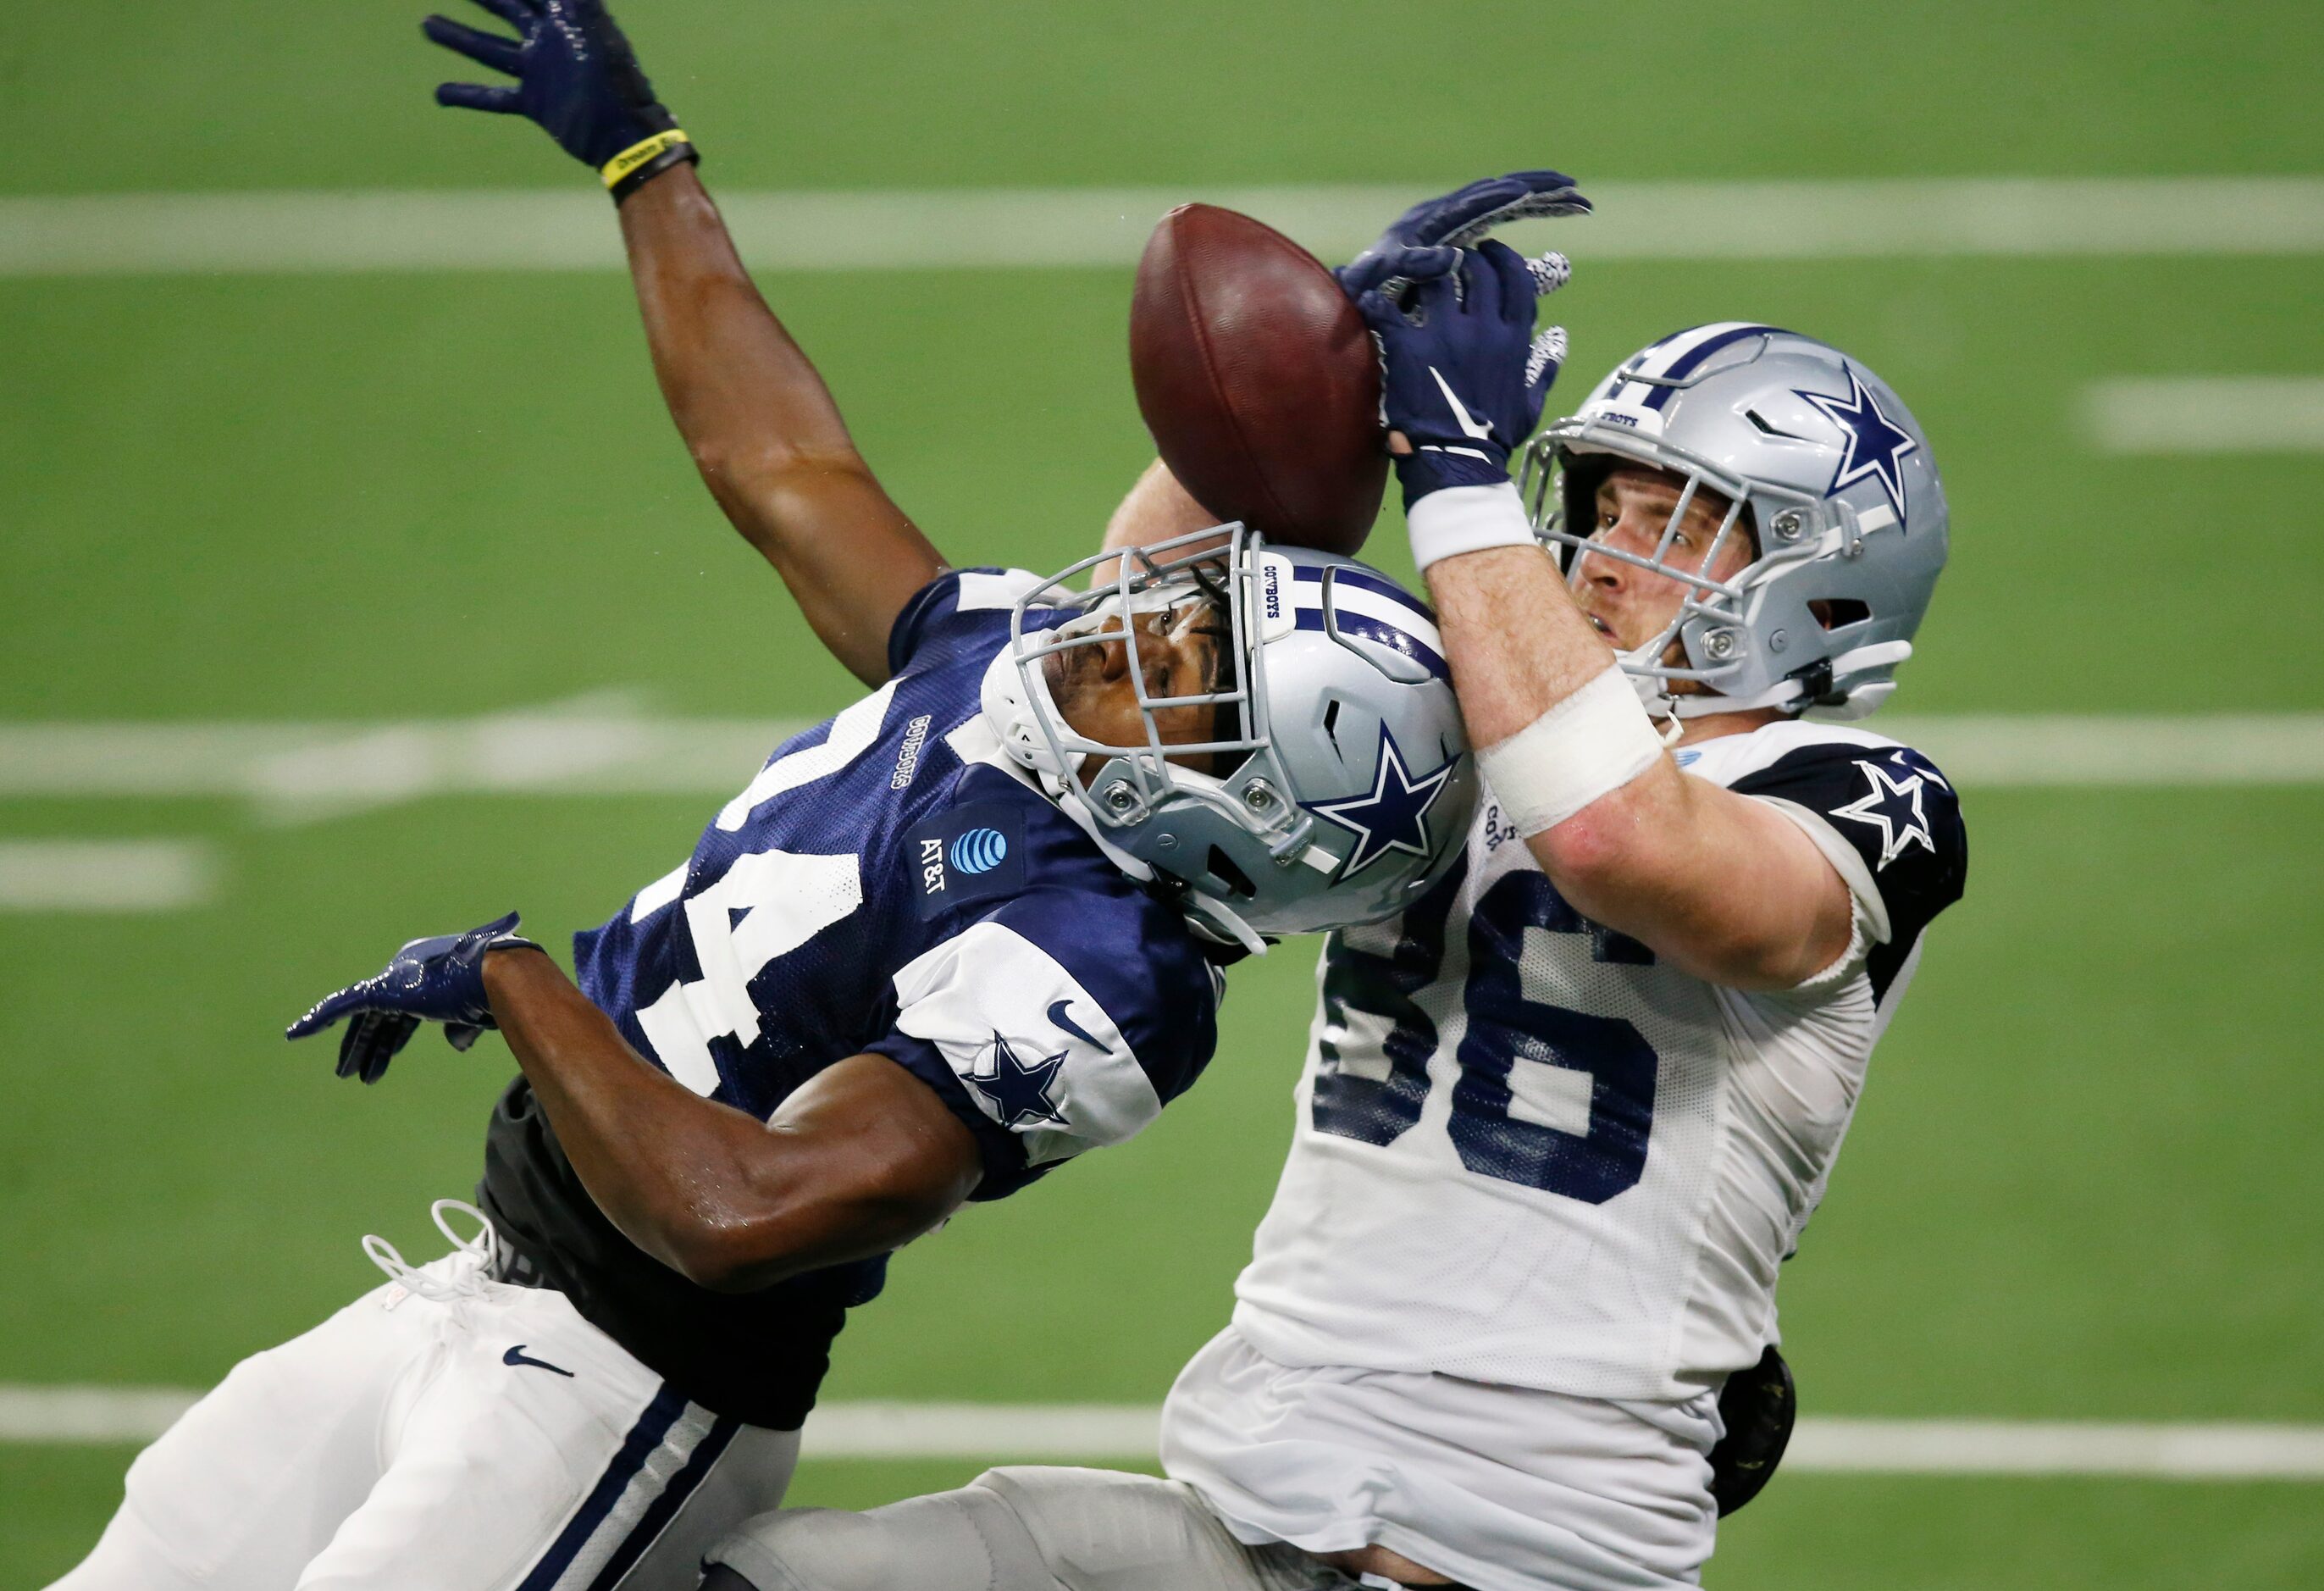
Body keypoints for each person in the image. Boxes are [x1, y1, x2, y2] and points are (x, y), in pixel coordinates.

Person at [45, 10, 1475, 1589]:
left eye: (1193, 665)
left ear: (1235, 821)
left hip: (618, 1398)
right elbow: (779, 462)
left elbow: (744, 1210)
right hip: (481, 1286)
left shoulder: (1096, 972)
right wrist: (648, 163)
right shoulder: (1008, 659)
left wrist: (516, 980)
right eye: (1200, 602)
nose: (1141, 616)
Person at [702, 175, 1967, 1591]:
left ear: (1829, 576)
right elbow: (1122, 663)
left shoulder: (1862, 797)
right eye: (1604, 500)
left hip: (1521, 1553)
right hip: (1252, 1501)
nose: (1606, 554)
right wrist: (1306, 369)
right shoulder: (1468, 700)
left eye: (1674, 525)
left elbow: (1618, 839)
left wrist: (1454, 475)